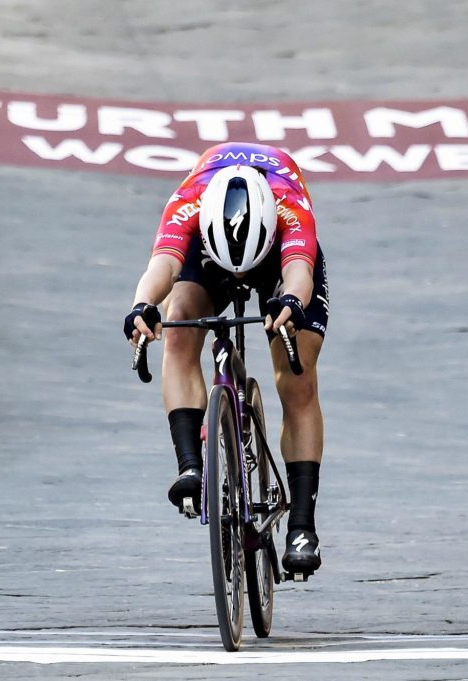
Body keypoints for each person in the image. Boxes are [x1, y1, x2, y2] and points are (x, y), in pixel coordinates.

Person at [124, 142, 329, 576]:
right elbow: (162, 265)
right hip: (207, 251)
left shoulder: (290, 208)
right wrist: (142, 306)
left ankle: (302, 526)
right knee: (178, 324)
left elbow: (299, 271)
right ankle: (190, 467)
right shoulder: (189, 204)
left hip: (277, 259)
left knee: (297, 376)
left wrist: (289, 301)